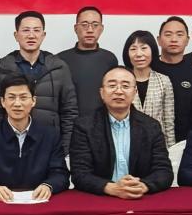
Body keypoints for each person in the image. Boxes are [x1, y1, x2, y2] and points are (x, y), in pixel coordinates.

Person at [69, 68, 174, 198]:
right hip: (101, 198)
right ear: (102, 92)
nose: (119, 91)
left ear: (135, 92)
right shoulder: (84, 126)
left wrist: (143, 185)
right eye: (112, 85)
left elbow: (164, 171)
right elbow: (80, 173)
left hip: (139, 197)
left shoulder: (151, 126)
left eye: (125, 86)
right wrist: (112, 188)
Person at [0, 11, 80, 151]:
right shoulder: (2, 69)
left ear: (43, 35)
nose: (31, 35)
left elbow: (69, 112)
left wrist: (65, 149)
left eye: (36, 30)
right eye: (25, 30)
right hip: (11, 145)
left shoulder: (59, 68)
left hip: (50, 145)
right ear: (16, 35)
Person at [0, 75, 70, 202]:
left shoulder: (50, 135)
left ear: (33, 101)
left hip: (38, 202)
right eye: (11, 97)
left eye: (23, 97)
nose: (17, 103)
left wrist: (48, 186)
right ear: (2, 102)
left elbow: (60, 174)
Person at [152, 16, 192, 145]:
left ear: (187, 40)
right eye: (168, 34)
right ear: (159, 40)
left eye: (179, 35)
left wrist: (191, 142)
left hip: (187, 143)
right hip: (151, 141)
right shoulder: (149, 68)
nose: (174, 39)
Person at [56, 6, 119, 118]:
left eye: (95, 25)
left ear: (101, 28)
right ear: (76, 28)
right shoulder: (60, 60)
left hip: (102, 122)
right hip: (69, 122)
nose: (90, 30)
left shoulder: (110, 59)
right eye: (84, 25)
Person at [120, 31, 176, 145]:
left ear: (153, 51)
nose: (139, 54)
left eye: (144, 48)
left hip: (156, 144)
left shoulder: (164, 81)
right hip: (127, 143)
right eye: (133, 49)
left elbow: (168, 122)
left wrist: (171, 149)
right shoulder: (121, 80)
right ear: (127, 53)